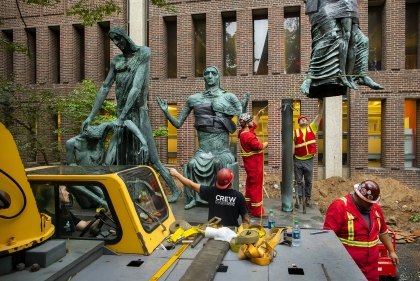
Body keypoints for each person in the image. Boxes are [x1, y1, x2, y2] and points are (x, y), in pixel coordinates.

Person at [80, 26, 181, 203]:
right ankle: (108, 196)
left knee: (152, 156)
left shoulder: (143, 53)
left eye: (118, 39)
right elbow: (105, 87)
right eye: (113, 41)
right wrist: (91, 116)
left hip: (138, 114)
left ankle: (175, 189)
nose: (116, 43)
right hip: (121, 115)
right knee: (111, 156)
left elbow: (136, 87)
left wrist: (122, 116)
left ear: (125, 37)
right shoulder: (116, 61)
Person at [157, 66, 249, 209]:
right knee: (192, 165)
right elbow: (178, 123)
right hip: (203, 152)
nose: (210, 76)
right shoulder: (194, 99)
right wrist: (166, 112)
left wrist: (243, 107)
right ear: (204, 77)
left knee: (219, 163)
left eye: (214, 73)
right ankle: (196, 199)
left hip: (222, 151)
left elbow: (242, 120)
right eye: (207, 73)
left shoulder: (228, 97)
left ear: (218, 77)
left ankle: (221, 199)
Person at [301, 0, 384, 95]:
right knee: (331, 36)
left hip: (346, 4)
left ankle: (361, 74)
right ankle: (310, 77)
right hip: (323, 4)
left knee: (362, 41)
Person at [323, 180, 399, 281]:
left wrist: (392, 251)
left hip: (371, 269)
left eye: (373, 202)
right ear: (359, 196)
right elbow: (327, 238)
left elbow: (383, 231)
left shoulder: (375, 209)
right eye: (368, 203)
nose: (371, 205)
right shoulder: (339, 207)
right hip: (347, 269)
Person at [169, 167, 250, 227]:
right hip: (231, 231)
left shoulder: (211, 192)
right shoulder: (239, 197)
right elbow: (246, 219)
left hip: (212, 230)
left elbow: (191, 185)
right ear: (231, 181)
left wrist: (176, 174)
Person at [293, 99, 324, 207]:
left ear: (307, 121)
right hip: (298, 160)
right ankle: (299, 199)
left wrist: (322, 102)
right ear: (298, 123)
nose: (303, 120)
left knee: (308, 181)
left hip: (309, 160)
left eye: (304, 119)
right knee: (298, 181)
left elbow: (319, 115)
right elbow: (292, 145)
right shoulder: (295, 132)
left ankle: (308, 198)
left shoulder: (312, 128)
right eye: (301, 119)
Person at [238, 110, 268, 217]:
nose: (252, 122)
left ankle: (249, 207)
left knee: (250, 186)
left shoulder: (243, 133)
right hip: (254, 165)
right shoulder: (248, 136)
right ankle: (257, 211)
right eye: (250, 120)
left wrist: (258, 115)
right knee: (256, 187)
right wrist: (266, 143)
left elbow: (254, 125)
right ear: (246, 124)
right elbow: (259, 146)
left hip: (250, 165)